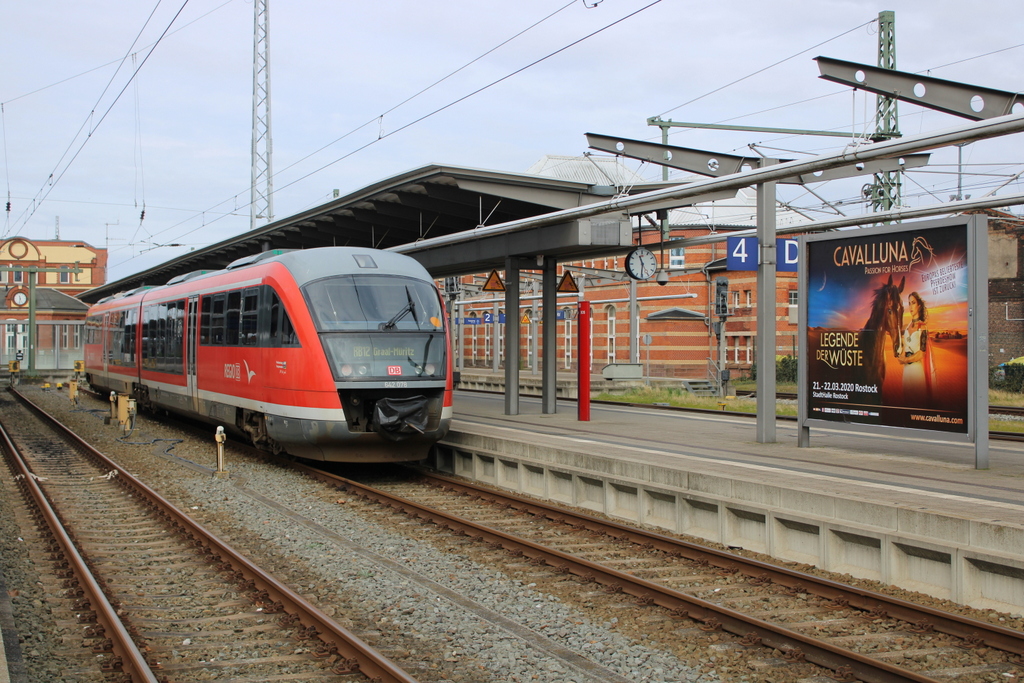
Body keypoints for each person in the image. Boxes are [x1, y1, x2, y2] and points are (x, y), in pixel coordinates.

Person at [899, 291, 933, 406]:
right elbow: (903, 349)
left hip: (916, 371)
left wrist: (906, 360)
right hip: (906, 372)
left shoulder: (923, 327)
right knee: (906, 402)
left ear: (919, 305)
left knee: (918, 404)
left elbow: (922, 353)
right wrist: (900, 356)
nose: (911, 306)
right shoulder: (907, 326)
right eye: (909, 303)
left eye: (913, 303)